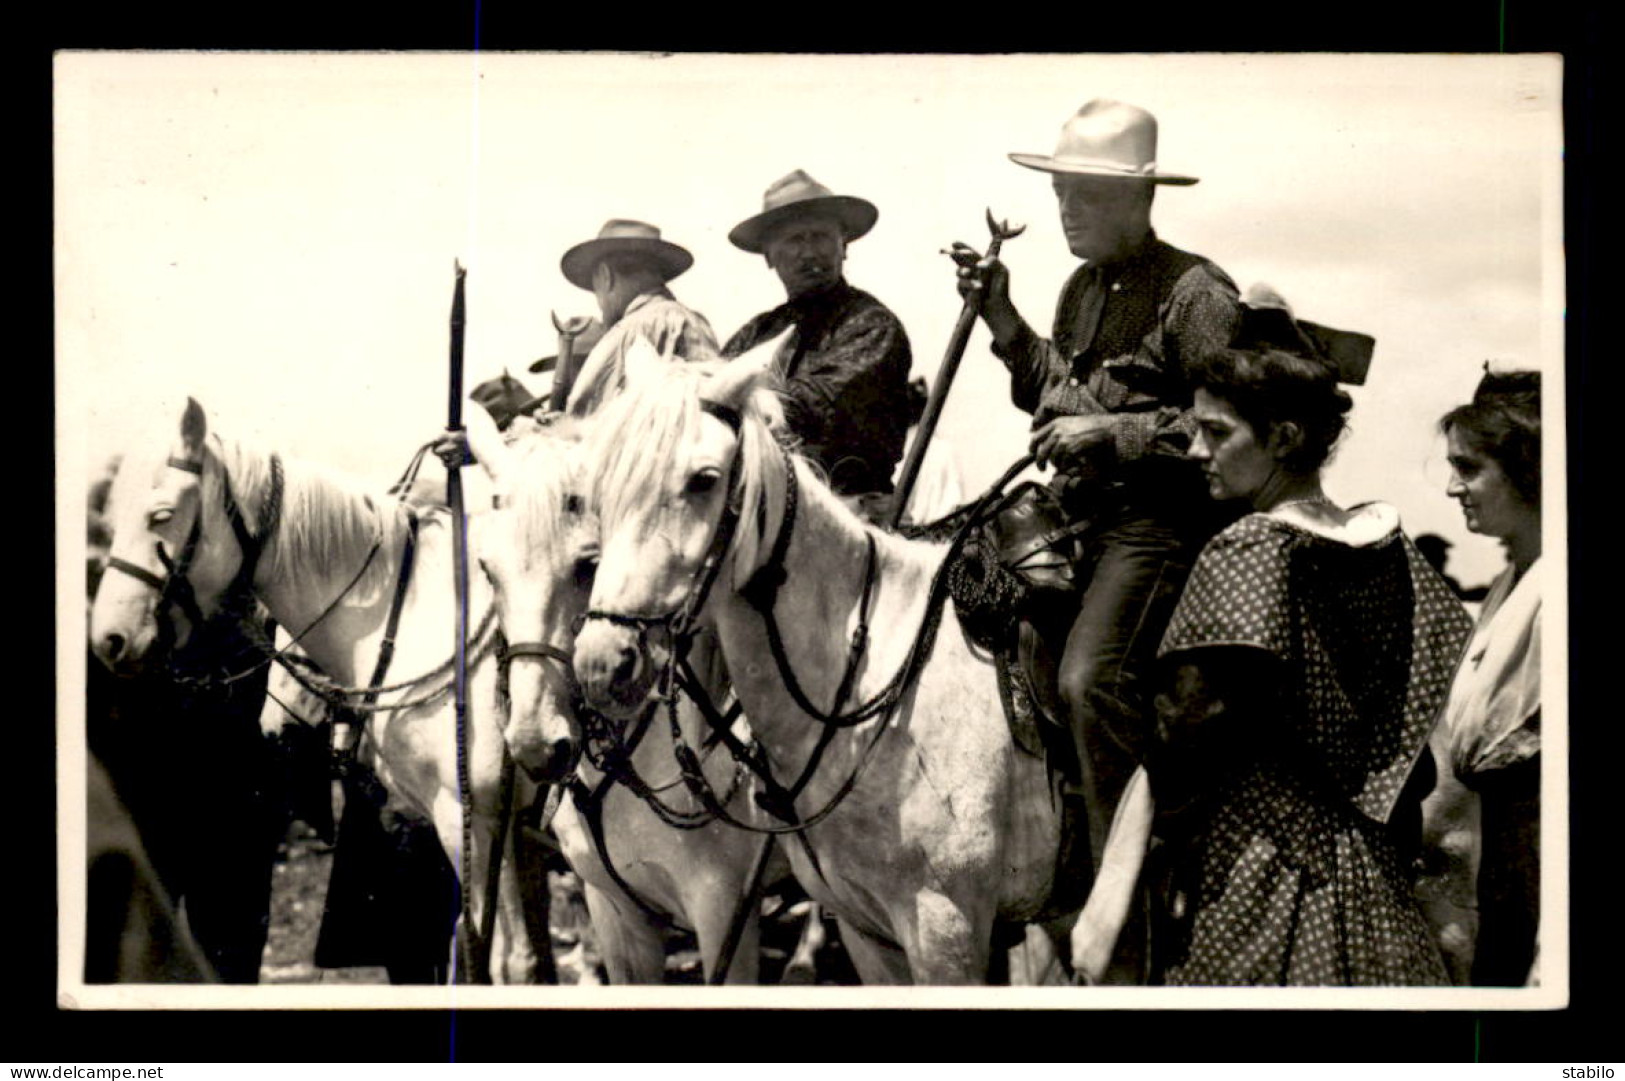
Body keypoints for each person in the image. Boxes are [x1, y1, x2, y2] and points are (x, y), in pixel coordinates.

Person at [952, 100, 1244, 896]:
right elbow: (1052, 391)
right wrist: (1003, 317)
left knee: (1090, 679)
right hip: (1073, 517)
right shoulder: (1082, 286)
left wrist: (1109, 435)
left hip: (1158, 525)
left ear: (1138, 199)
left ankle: (1126, 884)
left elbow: (1228, 426)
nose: (1066, 211)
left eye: (1084, 196)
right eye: (1060, 195)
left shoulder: (1197, 292)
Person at [1143, 302, 1472, 985]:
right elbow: (1413, 751)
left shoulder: (1248, 544)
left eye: (1215, 431)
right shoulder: (1391, 553)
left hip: (1259, 859)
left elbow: (1188, 723)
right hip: (1372, 863)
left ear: (1284, 437)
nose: (1195, 449)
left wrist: (1158, 846)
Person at [1433, 365, 1543, 986]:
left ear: (1528, 470)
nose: (1453, 488)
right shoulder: (1512, 582)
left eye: (1469, 469)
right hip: (1499, 845)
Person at [721, 170, 913, 508]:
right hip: (766, 513)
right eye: (794, 240)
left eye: (821, 237)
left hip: (852, 513)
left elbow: (815, 403)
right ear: (769, 255)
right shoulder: (755, 333)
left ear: (844, 245)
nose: (809, 252)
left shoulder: (871, 325)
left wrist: (737, 399)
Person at [562, 220, 721, 416]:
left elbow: (578, 410)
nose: (599, 303)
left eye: (595, 288)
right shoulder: (697, 321)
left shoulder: (626, 332)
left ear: (605, 276)